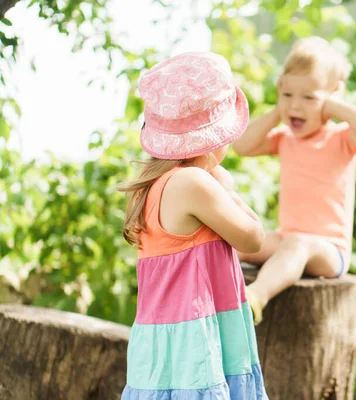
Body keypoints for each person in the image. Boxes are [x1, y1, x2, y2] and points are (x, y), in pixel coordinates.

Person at [119, 52, 268, 399]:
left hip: (161, 350)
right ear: (217, 140)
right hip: (196, 351)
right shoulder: (193, 184)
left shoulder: (150, 187)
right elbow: (253, 237)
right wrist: (228, 190)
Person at [232, 36, 356, 324]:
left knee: (298, 245)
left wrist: (333, 105)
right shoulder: (284, 139)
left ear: (332, 97)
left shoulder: (342, 138)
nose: (296, 107)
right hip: (285, 240)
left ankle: (255, 298)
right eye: (288, 95)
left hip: (328, 251)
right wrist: (279, 111)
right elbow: (241, 145)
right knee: (236, 239)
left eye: (309, 97)